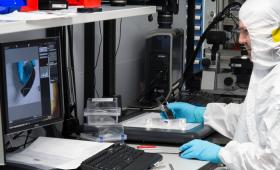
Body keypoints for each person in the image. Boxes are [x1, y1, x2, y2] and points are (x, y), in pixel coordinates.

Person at [162, 0, 280, 169]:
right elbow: (253, 119)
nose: (240, 39)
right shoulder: (268, 67)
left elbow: (273, 162)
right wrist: (203, 114)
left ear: (269, 31)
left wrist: (223, 154)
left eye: (247, 31)